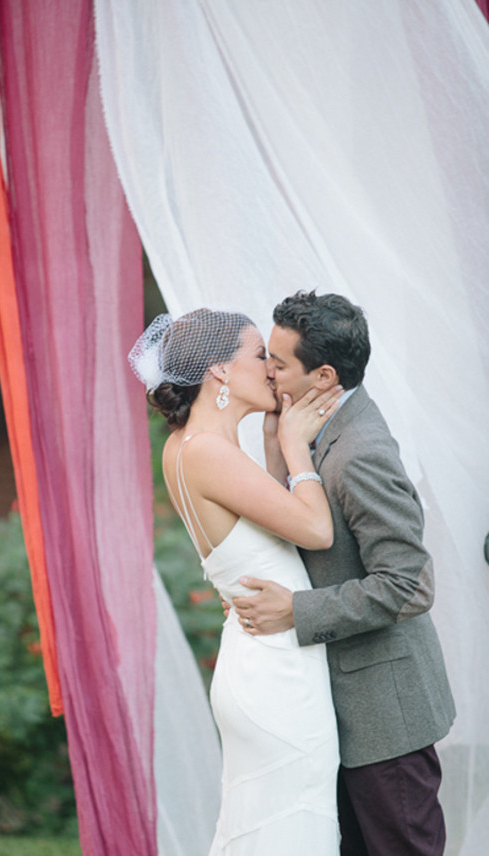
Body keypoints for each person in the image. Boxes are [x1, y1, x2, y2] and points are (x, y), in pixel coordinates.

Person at [231, 290, 456, 856]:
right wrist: (276, 443)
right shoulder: (314, 428)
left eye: (278, 362)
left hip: (386, 715)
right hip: (344, 708)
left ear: (324, 374)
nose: (268, 370)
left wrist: (295, 611)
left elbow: (409, 584)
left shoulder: (359, 452)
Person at [128, 308, 343, 855]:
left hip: (259, 659)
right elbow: (316, 529)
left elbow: (267, 534)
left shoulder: (191, 447)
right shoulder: (206, 451)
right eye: (257, 355)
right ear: (219, 371)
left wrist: (274, 442)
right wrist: (297, 449)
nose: (271, 369)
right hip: (276, 674)